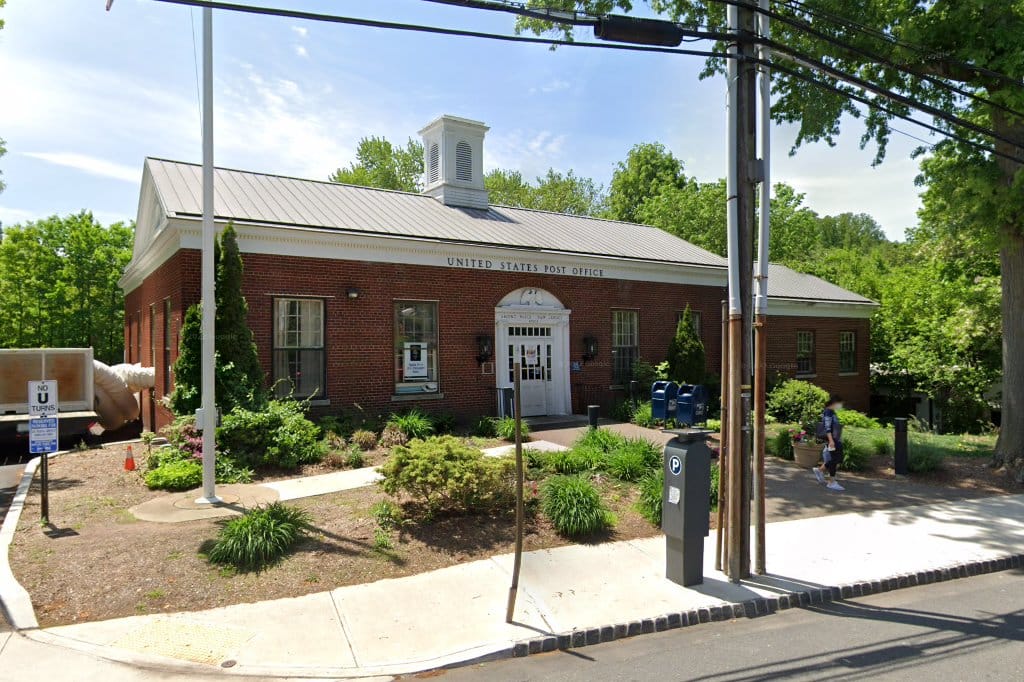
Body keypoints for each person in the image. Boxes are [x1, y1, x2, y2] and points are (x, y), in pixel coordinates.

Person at [813, 395, 845, 491]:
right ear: (834, 403)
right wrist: (831, 441)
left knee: (837, 458)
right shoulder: (828, 412)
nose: (840, 406)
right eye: (840, 404)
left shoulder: (831, 412)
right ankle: (831, 482)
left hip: (835, 439)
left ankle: (820, 470)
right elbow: (828, 428)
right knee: (835, 459)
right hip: (832, 439)